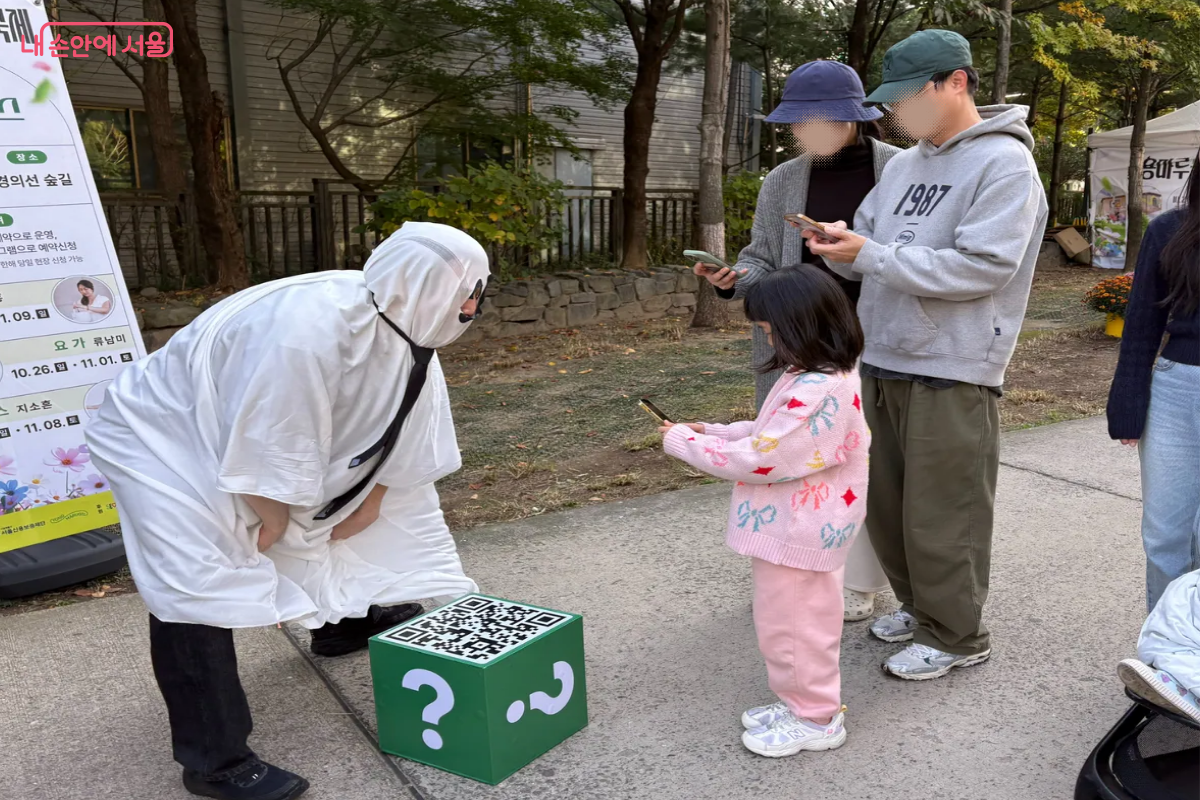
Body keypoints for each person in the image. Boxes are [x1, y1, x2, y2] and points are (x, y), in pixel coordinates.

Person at [85, 221, 489, 800]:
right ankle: (214, 761)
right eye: (467, 292)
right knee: (196, 578)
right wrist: (276, 520)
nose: (472, 308)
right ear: (421, 285)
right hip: (160, 435)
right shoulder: (304, 333)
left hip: (238, 431)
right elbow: (266, 446)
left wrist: (367, 497)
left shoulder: (405, 323)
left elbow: (404, 430)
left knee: (343, 516)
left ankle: (342, 622)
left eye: (476, 291)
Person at [805, 29, 1047, 680]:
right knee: (889, 508)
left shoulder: (1005, 163)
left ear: (956, 82)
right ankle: (921, 611)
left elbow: (984, 266)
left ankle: (958, 635)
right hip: (883, 352)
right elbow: (871, 244)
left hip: (954, 364)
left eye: (909, 96)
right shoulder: (906, 165)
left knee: (944, 512)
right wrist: (842, 246)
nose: (897, 111)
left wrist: (872, 255)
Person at [695, 59, 898, 622]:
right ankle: (793, 567)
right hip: (801, 346)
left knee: (861, 462)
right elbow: (760, 258)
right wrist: (733, 280)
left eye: (821, 120)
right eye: (799, 122)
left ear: (855, 117)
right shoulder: (782, 178)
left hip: (876, 339)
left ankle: (860, 581)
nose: (808, 132)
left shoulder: (899, 169)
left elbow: (906, 256)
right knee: (795, 458)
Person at [660, 265, 869, 757]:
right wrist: (713, 431)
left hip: (798, 531)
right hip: (800, 527)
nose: (769, 340)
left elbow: (762, 457)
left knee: (795, 629)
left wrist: (685, 442)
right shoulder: (817, 375)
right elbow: (768, 432)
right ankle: (801, 704)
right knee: (790, 625)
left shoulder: (818, 390)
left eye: (771, 331)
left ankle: (816, 718)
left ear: (800, 325)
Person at [1106, 153, 1200, 612]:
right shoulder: (1170, 229)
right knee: (1165, 537)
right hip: (1176, 392)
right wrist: (1127, 401)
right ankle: (1168, 644)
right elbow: (1142, 321)